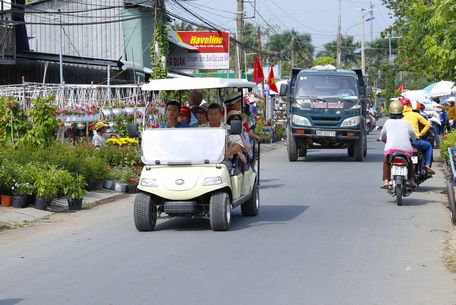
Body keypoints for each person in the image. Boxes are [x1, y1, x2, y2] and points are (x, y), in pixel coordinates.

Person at [380, 100, 416, 189]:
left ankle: (385, 181)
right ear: (401, 111)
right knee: (410, 162)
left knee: (386, 162)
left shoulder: (387, 122)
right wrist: (413, 139)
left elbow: (382, 136)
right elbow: (413, 136)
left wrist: (383, 140)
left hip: (391, 149)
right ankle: (411, 180)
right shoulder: (406, 122)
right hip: (406, 150)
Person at [401, 97, 435, 175]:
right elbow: (428, 124)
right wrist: (420, 134)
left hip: (402, 142)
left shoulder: (399, 116)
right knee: (428, 146)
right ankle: (427, 165)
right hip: (415, 140)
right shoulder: (417, 115)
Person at [207, 103, 244, 172]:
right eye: (210, 114)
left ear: (220, 115)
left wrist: (227, 154)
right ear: (207, 115)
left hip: (222, 161)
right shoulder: (202, 128)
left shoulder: (227, 128)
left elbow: (239, 144)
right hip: (204, 160)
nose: (213, 116)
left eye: (215, 114)